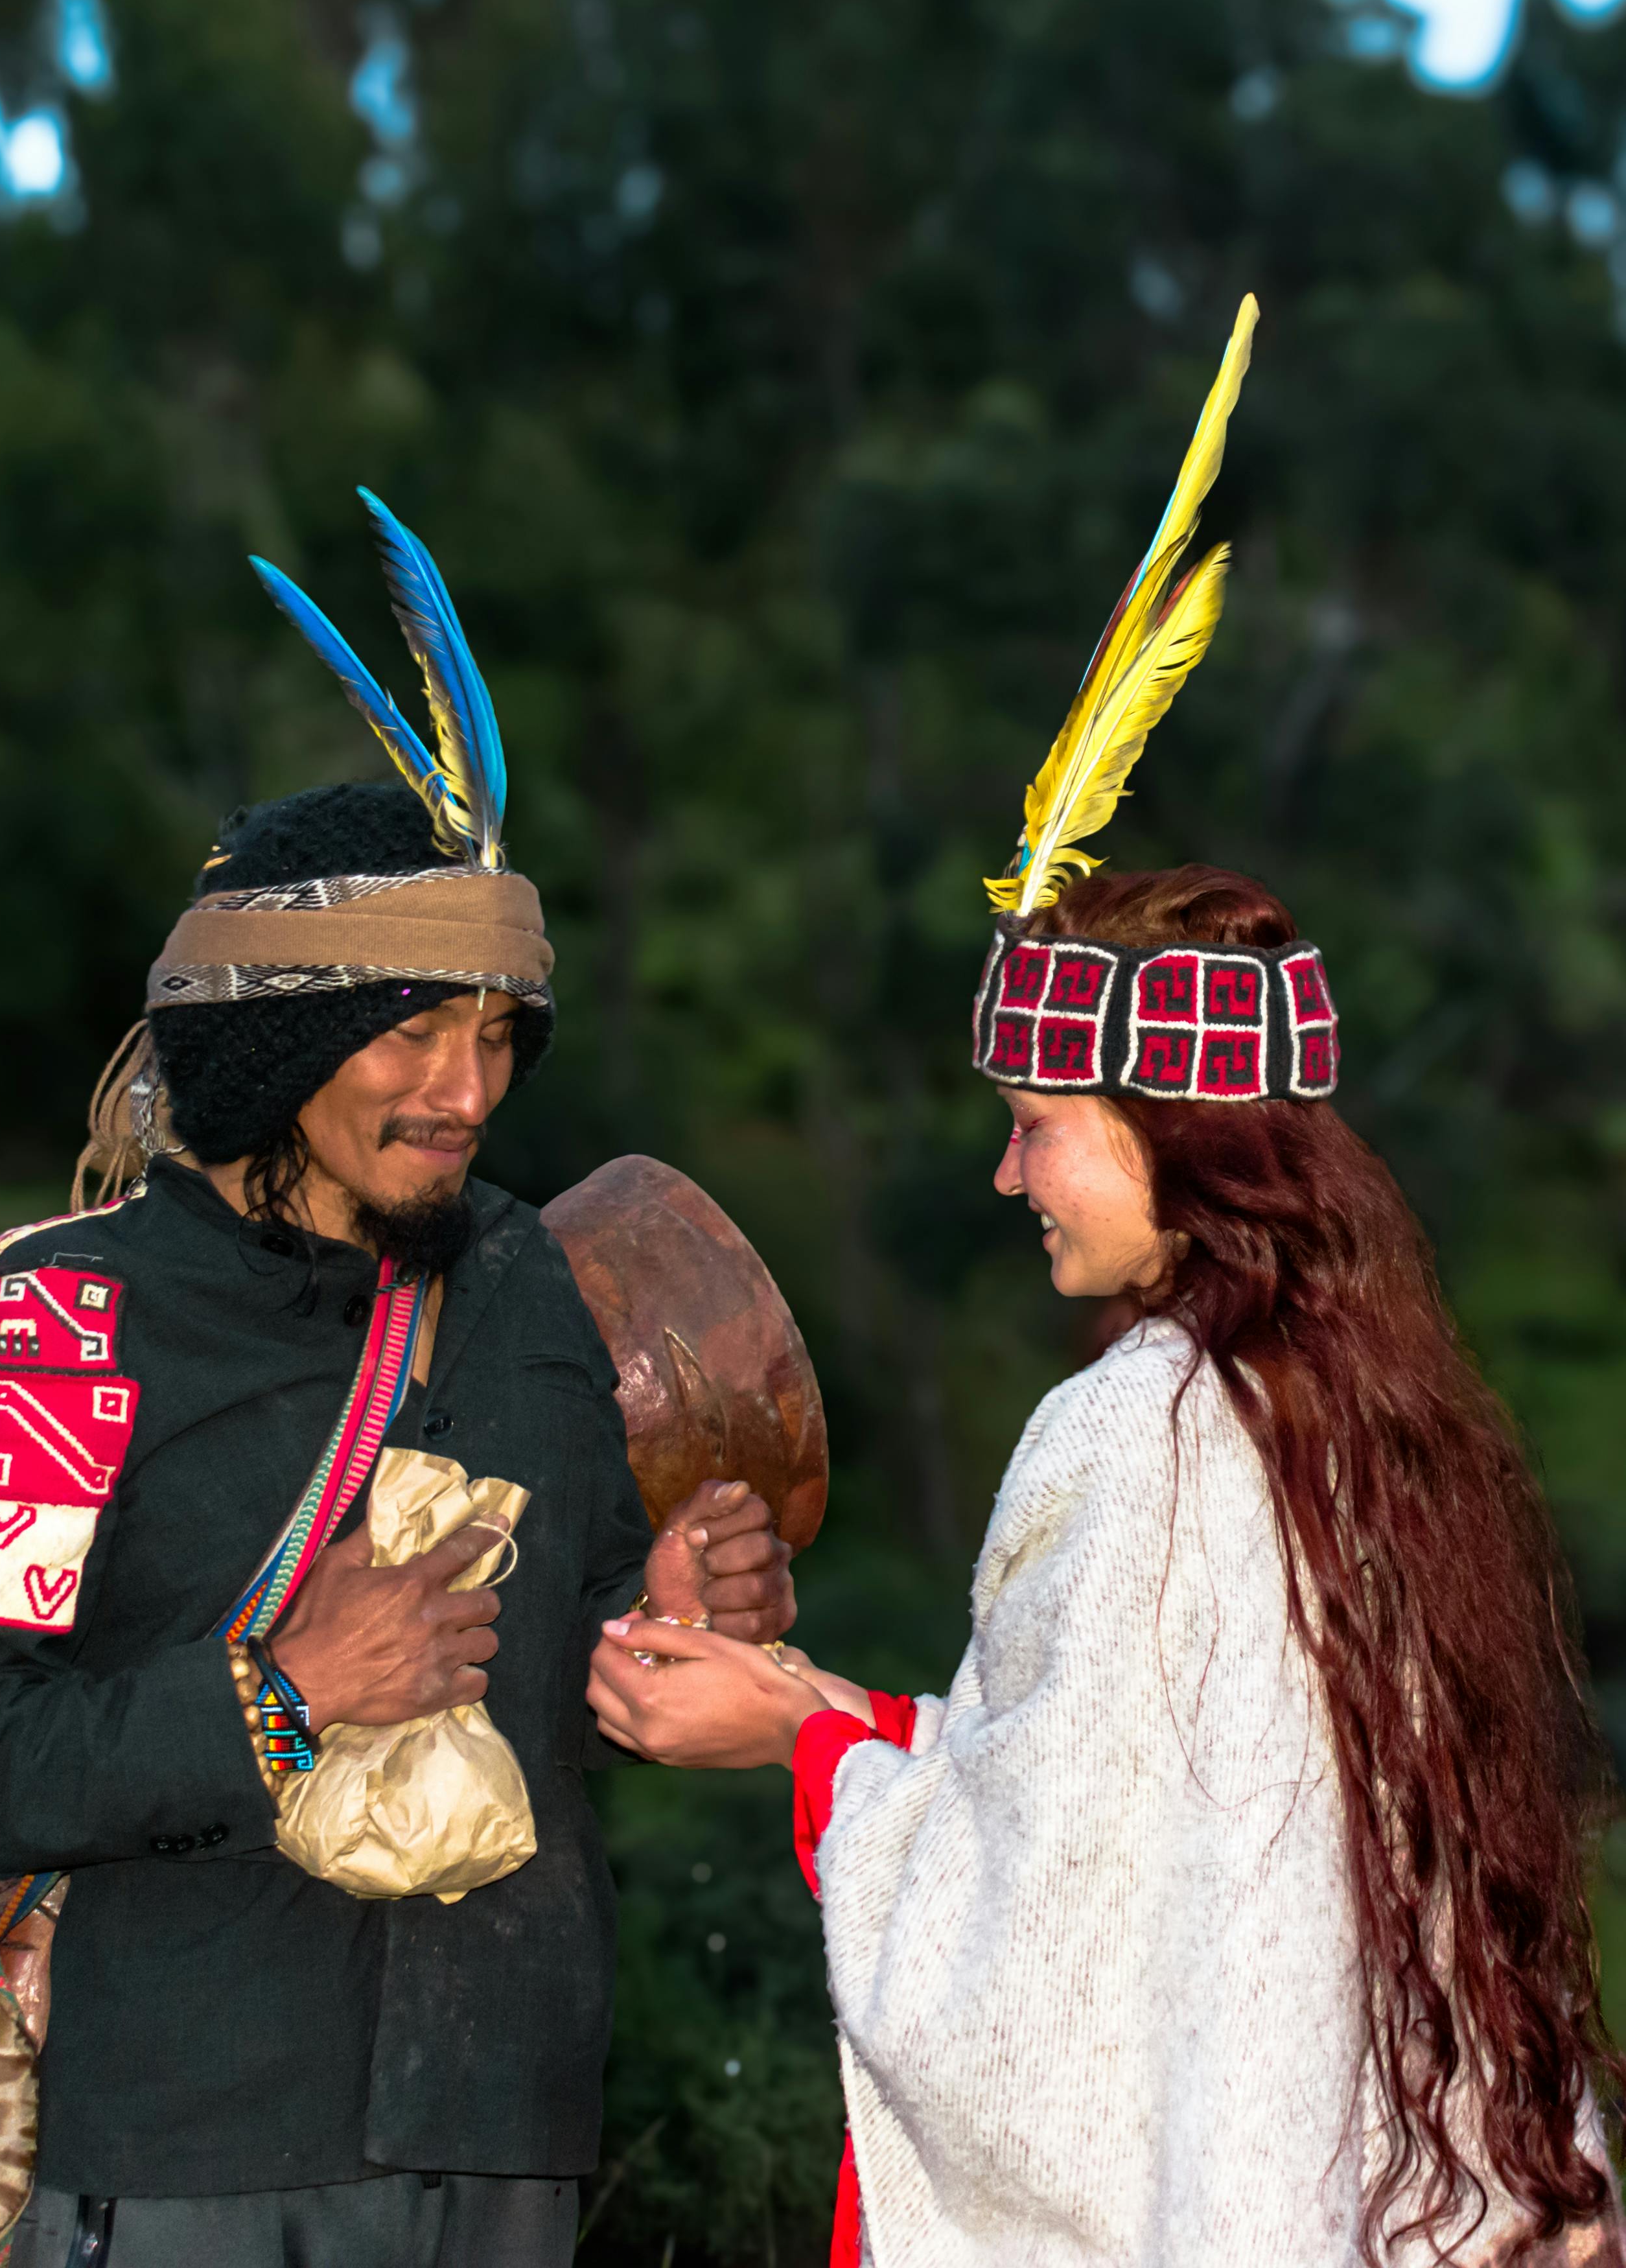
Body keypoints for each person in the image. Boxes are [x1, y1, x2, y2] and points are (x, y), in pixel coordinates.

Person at [587, 301, 1625, 2266]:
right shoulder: (1363, 1406)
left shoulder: (1139, 1429)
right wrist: (824, 1696)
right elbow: (1116, 1810)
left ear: (1177, 1133)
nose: (1006, 1175)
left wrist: (796, 1750)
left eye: (1037, 1125)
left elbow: (1043, 1961)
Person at [0, 498, 796, 2268]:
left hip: (507, 2125)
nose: (468, 1090)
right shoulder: (47, 1321)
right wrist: (278, 1695)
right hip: (183, 2144)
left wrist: (665, 1612)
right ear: (275, 1044)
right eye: (412, 1032)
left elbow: (578, 1647)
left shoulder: (525, 1279)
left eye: (496, 1037)